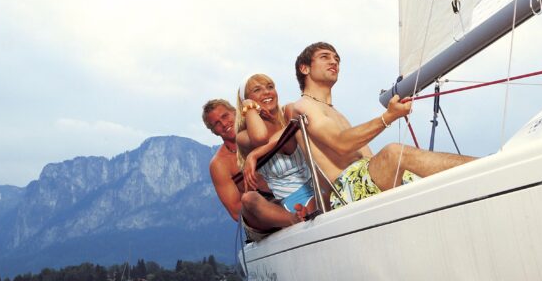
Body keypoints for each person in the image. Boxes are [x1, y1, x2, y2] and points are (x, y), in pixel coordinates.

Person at [290, 42, 476, 209]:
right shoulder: (303, 105)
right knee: (393, 153)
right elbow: (341, 144)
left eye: (336, 59)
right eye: (324, 57)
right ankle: (481, 170)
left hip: (367, 178)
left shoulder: (336, 113)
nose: (334, 62)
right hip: (346, 191)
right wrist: (388, 116)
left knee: (423, 176)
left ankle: (481, 174)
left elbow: (367, 158)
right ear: (305, 68)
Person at [202, 99, 298, 241]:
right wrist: (271, 208)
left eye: (225, 116)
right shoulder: (219, 164)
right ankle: (295, 219)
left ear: (235, 112)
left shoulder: (261, 133)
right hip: (260, 215)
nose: (224, 124)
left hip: (292, 191)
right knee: (249, 199)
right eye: (216, 123)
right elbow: (236, 212)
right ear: (214, 131)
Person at [236, 74, 316, 217]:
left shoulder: (289, 111)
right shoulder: (243, 137)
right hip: (291, 200)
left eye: (270, 87)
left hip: (318, 183)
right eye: (257, 90)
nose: (266, 92)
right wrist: (249, 106)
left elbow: (290, 139)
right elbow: (260, 137)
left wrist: (255, 154)